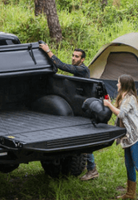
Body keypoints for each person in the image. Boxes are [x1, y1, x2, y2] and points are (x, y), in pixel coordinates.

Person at [39, 42, 98, 180]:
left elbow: (62, 66)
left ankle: (92, 169)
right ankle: (86, 166)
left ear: (82, 59)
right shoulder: (79, 69)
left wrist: (48, 51)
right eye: (73, 55)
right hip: (80, 105)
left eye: (77, 57)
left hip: (85, 108)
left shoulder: (82, 70)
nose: (73, 58)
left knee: (85, 139)